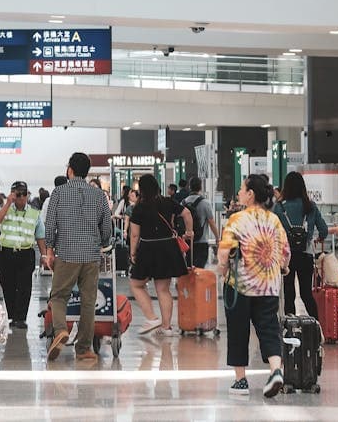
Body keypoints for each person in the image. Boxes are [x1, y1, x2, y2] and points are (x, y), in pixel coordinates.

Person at [217, 174, 290, 398]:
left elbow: (223, 254)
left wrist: (223, 271)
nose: (239, 193)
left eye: (241, 189)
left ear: (250, 194)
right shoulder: (274, 220)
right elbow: (286, 252)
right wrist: (283, 269)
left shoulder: (236, 220)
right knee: (269, 328)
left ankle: (241, 381)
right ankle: (276, 370)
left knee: (239, 332)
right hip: (268, 285)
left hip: (240, 286)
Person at [43, 152, 113, 362]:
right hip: (91, 256)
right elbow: (107, 229)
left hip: (66, 253)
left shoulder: (59, 193)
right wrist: (100, 243)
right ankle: (84, 349)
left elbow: (50, 225)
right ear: (87, 171)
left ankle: (61, 330)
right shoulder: (99, 195)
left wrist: (49, 249)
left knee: (58, 296)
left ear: (70, 170)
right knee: (89, 302)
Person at [128, 174, 193, 336]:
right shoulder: (167, 201)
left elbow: (135, 234)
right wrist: (189, 232)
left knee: (136, 284)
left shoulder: (139, 207)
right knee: (163, 289)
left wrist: (132, 252)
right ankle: (166, 327)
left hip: (148, 248)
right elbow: (187, 213)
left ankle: (151, 317)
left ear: (141, 189)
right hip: (168, 247)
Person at [0, 181, 48, 329]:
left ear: (27, 194)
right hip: (6, 253)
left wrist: (44, 255)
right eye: (17, 193)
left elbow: (40, 236)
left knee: (24, 287)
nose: (21, 197)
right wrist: (7, 203)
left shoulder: (34, 212)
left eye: (23, 193)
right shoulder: (5, 209)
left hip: (26, 253)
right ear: (12, 194)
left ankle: (20, 318)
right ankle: (12, 315)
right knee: (7, 285)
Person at [273, 171, 328, 319]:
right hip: (306, 254)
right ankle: (317, 327)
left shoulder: (279, 207)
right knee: (306, 293)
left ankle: (289, 329)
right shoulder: (310, 206)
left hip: (286, 257)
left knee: (288, 292)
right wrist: (318, 238)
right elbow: (324, 229)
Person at [182, 176, 222, 268]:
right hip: (202, 241)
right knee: (200, 270)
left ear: (189, 187)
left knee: (188, 269)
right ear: (200, 187)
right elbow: (211, 223)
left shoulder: (183, 203)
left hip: (187, 241)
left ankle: (189, 283)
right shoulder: (205, 203)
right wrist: (217, 238)